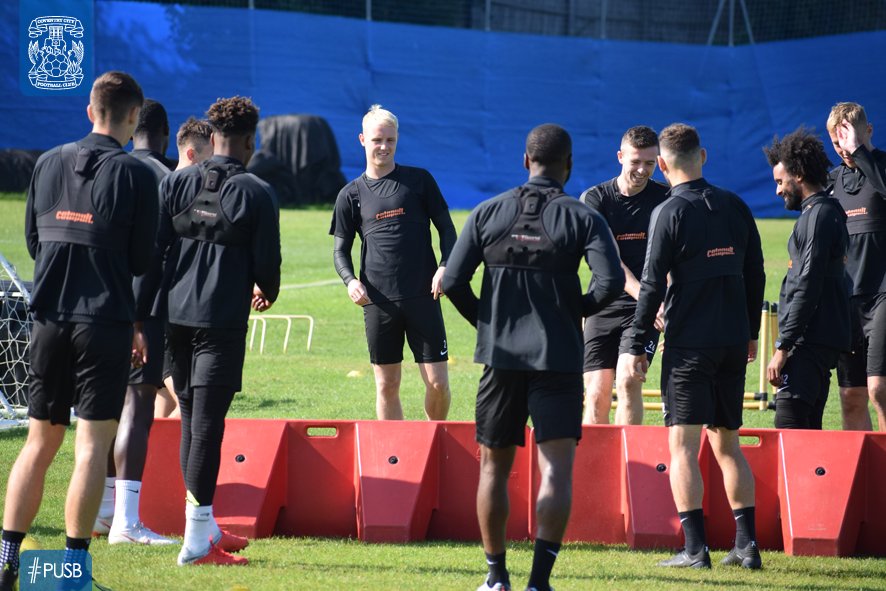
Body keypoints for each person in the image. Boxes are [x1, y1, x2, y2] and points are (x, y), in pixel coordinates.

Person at [442, 124, 624, 591]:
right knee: (556, 468)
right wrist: (571, 312)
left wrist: (488, 322)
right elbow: (607, 284)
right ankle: (539, 582)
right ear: (569, 165)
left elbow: (453, 282)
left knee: (492, 468)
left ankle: (495, 577)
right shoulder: (583, 217)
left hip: (500, 361)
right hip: (559, 360)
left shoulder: (487, 212)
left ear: (525, 161)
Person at [0, 71, 156, 591]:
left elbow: (32, 242)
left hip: (47, 319)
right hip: (103, 322)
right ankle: (69, 577)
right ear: (134, 118)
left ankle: (6, 561)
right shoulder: (136, 176)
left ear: (90, 110)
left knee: (39, 443)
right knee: (91, 447)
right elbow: (141, 260)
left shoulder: (45, 163)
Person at [625, 123, 766, 569]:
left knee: (683, 447)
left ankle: (693, 549)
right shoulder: (736, 205)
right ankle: (746, 545)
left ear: (662, 165)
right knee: (728, 444)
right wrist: (751, 334)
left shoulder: (667, 212)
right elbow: (757, 273)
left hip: (690, 345)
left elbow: (650, 285)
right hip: (731, 340)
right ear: (703, 156)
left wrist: (636, 341)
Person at [157, 96, 281, 566]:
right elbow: (268, 263)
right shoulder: (256, 190)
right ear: (251, 141)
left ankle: (204, 527)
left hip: (173, 318)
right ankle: (194, 543)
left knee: (192, 419)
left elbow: (154, 252)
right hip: (219, 323)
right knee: (208, 425)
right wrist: (266, 289)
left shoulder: (177, 181)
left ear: (211, 138)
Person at [330, 105, 457, 420]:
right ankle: (393, 460)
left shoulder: (419, 180)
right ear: (362, 140)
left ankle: (436, 441)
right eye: (377, 140)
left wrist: (444, 266)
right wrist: (351, 282)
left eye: (390, 139)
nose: (383, 146)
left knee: (438, 383)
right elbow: (340, 251)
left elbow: (448, 231)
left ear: (397, 139)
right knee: (387, 386)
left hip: (423, 296)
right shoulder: (351, 195)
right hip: (379, 302)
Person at [91, 98, 176, 546]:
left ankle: (104, 512)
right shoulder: (166, 176)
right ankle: (125, 521)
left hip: (96, 309)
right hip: (146, 311)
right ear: (163, 133)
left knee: (104, 410)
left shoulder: (109, 170)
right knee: (138, 409)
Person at [580, 125, 669, 425]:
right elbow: (610, 263)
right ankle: (594, 469)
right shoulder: (595, 200)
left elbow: (672, 259)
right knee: (595, 394)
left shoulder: (667, 199)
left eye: (650, 163)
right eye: (636, 162)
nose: (643, 170)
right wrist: (649, 297)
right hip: (604, 302)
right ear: (620, 157)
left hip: (646, 308)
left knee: (629, 379)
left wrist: (664, 301)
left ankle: (626, 469)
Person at [764, 128, 851, 429]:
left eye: (780, 181)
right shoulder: (823, 212)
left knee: (788, 431)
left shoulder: (817, 216)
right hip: (815, 340)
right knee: (808, 434)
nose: (778, 191)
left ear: (798, 174)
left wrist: (783, 347)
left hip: (807, 343)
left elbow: (808, 284)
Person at [826, 102, 886, 431]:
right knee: (851, 395)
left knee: (880, 389)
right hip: (846, 300)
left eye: (850, 139)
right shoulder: (832, 180)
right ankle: (863, 477)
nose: (844, 149)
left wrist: (860, 153)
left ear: (869, 132)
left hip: (882, 296)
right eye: (837, 142)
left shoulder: (882, 166)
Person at [155, 117, 213, 419]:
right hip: (166, 312)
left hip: (185, 309)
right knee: (187, 403)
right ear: (191, 155)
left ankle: (152, 465)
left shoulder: (200, 194)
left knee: (163, 398)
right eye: (209, 158)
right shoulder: (166, 191)